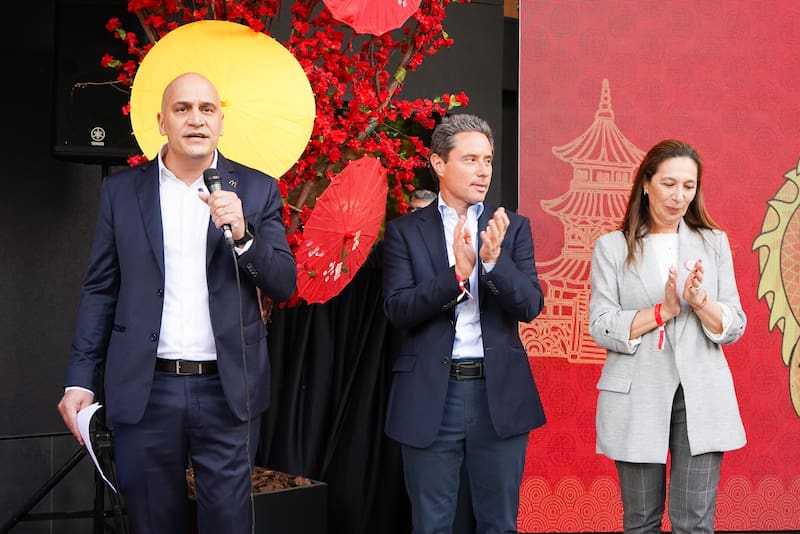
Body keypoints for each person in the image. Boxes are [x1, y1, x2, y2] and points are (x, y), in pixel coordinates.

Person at [56, 72, 296, 534]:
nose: (196, 119)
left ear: (221, 122)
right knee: (151, 524)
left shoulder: (257, 189)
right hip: (146, 389)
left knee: (228, 524)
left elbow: (284, 283)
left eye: (207, 109)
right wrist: (80, 379)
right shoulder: (122, 192)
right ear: (161, 121)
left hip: (228, 390)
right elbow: (101, 289)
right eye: (182, 109)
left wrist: (245, 237)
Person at [382, 113, 546, 533]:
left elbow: (529, 305)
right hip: (431, 394)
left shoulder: (511, 228)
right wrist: (456, 275)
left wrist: (492, 262)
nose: (483, 170)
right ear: (439, 163)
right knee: (431, 524)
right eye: (470, 159)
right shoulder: (405, 232)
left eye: (487, 160)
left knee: (499, 523)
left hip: (499, 392)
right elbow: (398, 310)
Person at [588, 139, 746, 534]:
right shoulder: (611, 247)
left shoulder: (714, 242)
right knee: (640, 521)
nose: (679, 197)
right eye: (669, 184)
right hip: (637, 394)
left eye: (688, 187)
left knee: (695, 522)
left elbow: (735, 323)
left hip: (701, 395)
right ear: (646, 183)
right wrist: (662, 311)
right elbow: (601, 323)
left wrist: (699, 300)